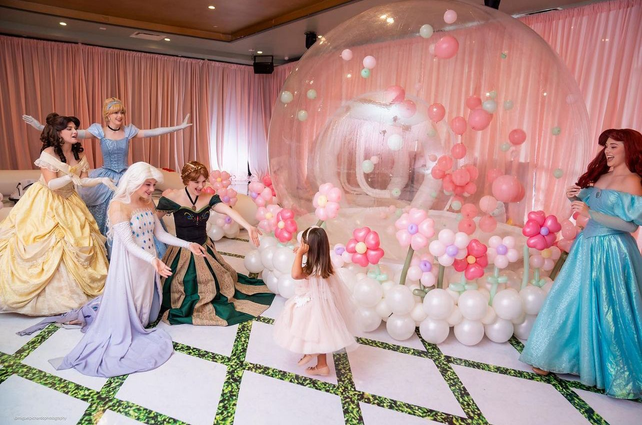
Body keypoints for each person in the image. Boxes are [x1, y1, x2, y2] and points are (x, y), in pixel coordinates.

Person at [39, 162, 208, 377]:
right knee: (125, 316)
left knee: (145, 315)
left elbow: (160, 234)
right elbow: (128, 244)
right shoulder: (118, 206)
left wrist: (188, 244)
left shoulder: (148, 202)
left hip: (148, 264)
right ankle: (97, 315)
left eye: (153, 185)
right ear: (134, 181)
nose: (151, 189)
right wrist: (153, 260)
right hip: (132, 265)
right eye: (147, 184)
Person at [520, 128, 642, 400]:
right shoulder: (604, 176)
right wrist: (575, 198)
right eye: (606, 146)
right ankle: (554, 355)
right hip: (586, 246)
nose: (607, 151)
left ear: (629, 148)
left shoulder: (633, 182)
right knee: (571, 299)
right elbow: (592, 208)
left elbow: (630, 226)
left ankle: (613, 369)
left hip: (612, 250)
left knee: (611, 308)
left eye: (613, 146)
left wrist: (590, 212)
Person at [23, 98, 191, 246]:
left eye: (121, 112)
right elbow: (65, 132)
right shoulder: (99, 131)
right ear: (107, 115)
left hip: (126, 175)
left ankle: (142, 243)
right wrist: (39, 126)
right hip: (106, 174)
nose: (120, 116)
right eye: (115, 112)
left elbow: (153, 132)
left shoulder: (129, 131)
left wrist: (178, 128)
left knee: (138, 207)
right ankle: (111, 247)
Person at [0, 113, 111, 316]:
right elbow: (51, 184)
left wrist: (101, 181)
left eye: (75, 128)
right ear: (58, 133)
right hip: (46, 201)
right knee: (43, 243)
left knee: (79, 242)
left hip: (70, 201)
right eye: (69, 129)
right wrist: (70, 177)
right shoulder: (48, 153)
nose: (74, 131)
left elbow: (83, 181)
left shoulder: (79, 153)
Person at [156, 161, 275, 326]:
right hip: (182, 249)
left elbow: (228, 211)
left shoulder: (208, 198)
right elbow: (152, 221)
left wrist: (248, 226)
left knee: (217, 285)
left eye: (203, 181)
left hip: (204, 247)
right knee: (183, 285)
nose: (201, 186)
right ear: (186, 180)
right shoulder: (173, 198)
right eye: (196, 182)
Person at [273, 226, 358, 376]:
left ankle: (312, 351)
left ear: (309, 248)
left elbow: (295, 274)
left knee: (310, 333)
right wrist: (301, 253)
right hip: (323, 304)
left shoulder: (311, 268)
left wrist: (300, 255)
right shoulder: (324, 264)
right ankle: (322, 366)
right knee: (321, 335)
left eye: (303, 244)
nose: (301, 246)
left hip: (310, 305)